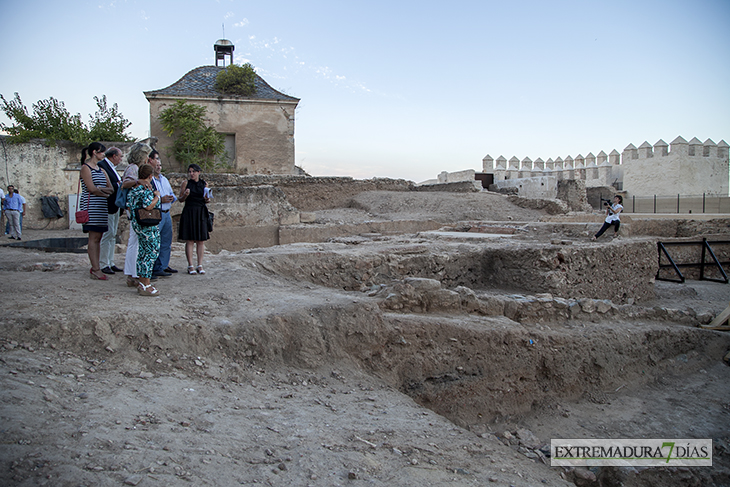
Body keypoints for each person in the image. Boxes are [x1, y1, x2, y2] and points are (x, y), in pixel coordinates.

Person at [79, 142, 113, 280]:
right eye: (101, 152)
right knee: (93, 238)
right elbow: (91, 188)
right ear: (94, 152)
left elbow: (110, 189)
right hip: (91, 207)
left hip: (101, 207)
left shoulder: (102, 170)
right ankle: (95, 268)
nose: (103, 155)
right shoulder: (85, 168)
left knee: (99, 237)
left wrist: (101, 190)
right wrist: (102, 191)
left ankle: (96, 266)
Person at [121, 142, 153, 288]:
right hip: (135, 209)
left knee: (135, 242)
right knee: (136, 242)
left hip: (132, 208)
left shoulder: (134, 168)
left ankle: (133, 274)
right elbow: (125, 184)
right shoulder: (133, 168)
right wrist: (138, 181)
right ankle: (134, 274)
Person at [128, 163, 161, 296]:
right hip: (148, 226)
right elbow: (148, 206)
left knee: (142, 253)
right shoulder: (146, 190)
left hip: (138, 224)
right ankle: (146, 284)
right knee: (150, 253)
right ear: (150, 176)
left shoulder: (133, 190)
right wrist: (157, 196)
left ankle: (141, 282)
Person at [178, 163, 211, 274]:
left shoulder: (204, 184)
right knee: (190, 239)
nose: (191, 174)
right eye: (190, 172)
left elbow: (207, 200)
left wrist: (207, 198)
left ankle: (200, 265)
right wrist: (185, 195)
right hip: (189, 211)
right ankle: (190, 265)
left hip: (200, 211)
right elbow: (180, 199)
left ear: (199, 172)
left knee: (200, 240)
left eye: (193, 171)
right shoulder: (185, 183)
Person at [149, 151, 178, 277]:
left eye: (160, 165)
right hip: (157, 212)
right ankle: (154, 267)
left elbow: (171, 193)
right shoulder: (150, 181)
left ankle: (163, 265)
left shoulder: (165, 179)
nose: (159, 167)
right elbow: (149, 198)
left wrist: (171, 198)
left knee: (166, 241)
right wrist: (161, 200)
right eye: (157, 165)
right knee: (155, 241)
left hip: (167, 213)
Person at [98, 147, 124, 274]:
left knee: (113, 234)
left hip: (114, 205)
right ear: (113, 156)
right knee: (107, 234)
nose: (121, 159)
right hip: (107, 204)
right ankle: (103, 263)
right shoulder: (102, 166)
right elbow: (104, 185)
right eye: (120, 156)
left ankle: (110, 261)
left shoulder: (111, 168)